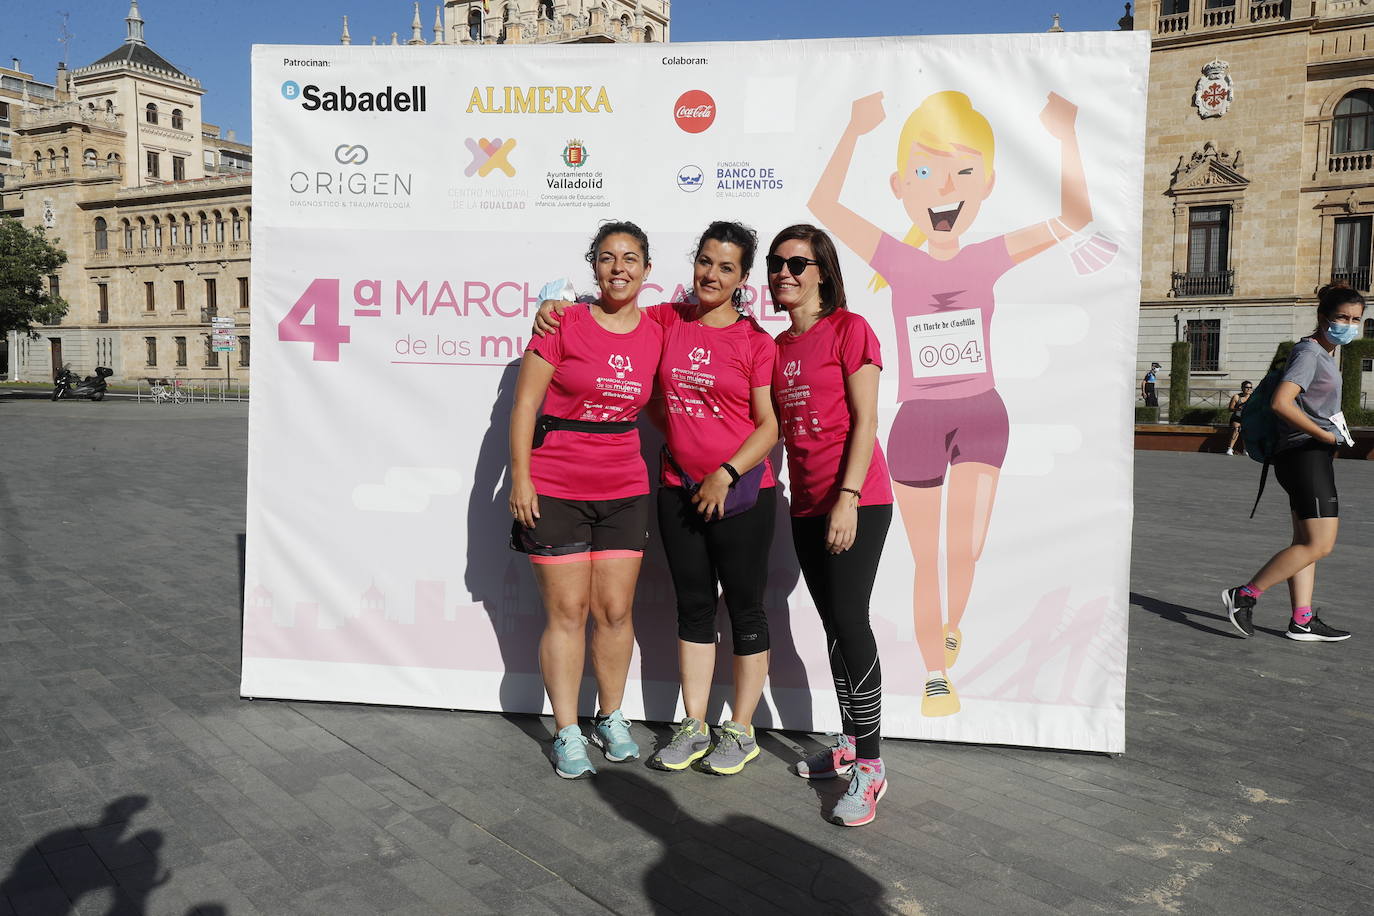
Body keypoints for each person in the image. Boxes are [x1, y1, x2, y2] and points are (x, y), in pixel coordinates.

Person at [808, 88, 1092, 716]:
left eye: (963, 172)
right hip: (918, 422)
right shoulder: (896, 258)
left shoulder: (990, 256)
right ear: (900, 184)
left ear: (985, 184)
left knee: (965, 548)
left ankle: (950, 623)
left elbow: (1074, 217)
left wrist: (1065, 134)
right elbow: (822, 205)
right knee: (925, 555)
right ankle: (938, 673)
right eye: (925, 171)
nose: (943, 188)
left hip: (982, 415)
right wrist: (855, 129)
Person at [535, 222, 780, 776]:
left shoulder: (755, 342)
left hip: (741, 493)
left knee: (744, 610)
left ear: (743, 278)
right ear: (691, 264)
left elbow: (770, 427)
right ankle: (694, 723)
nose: (712, 275)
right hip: (676, 490)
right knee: (693, 608)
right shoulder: (667, 321)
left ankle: (739, 729)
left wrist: (725, 472)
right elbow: (609, 312)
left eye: (726, 268)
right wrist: (550, 299)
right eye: (705, 263)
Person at [508, 220, 663, 778]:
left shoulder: (661, 327)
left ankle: (612, 716)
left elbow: (714, 322)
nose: (618, 268)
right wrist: (520, 478)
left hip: (624, 486)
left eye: (629, 258)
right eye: (605, 258)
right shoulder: (563, 320)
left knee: (615, 611)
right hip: (556, 485)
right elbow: (524, 404)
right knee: (567, 613)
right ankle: (568, 730)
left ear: (648, 269)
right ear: (593, 267)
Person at [769, 223, 894, 827]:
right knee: (834, 630)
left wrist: (847, 496)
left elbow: (866, 421)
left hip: (857, 501)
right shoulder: (778, 346)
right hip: (806, 505)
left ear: (822, 270)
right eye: (776, 264)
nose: (784, 273)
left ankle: (869, 768)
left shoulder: (850, 330)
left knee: (851, 621)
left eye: (797, 263)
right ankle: (849, 742)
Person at [1221, 282, 1364, 643]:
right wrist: (1325, 436)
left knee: (1304, 541)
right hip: (1304, 455)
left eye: (1356, 319)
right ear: (1323, 317)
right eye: (1342, 317)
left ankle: (1301, 620)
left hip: (1304, 455)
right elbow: (1281, 402)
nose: (1349, 324)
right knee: (1320, 544)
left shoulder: (1322, 354)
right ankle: (1244, 595)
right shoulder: (1310, 353)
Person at [1225, 380, 1253, 455]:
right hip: (1237, 417)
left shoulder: (1253, 397)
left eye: (1250, 387)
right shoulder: (1236, 397)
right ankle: (1230, 449)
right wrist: (1237, 409)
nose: (1249, 389)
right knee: (1236, 428)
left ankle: (1246, 449)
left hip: (1247, 418)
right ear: (1242, 388)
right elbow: (1230, 409)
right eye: (1247, 387)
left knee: (1246, 429)